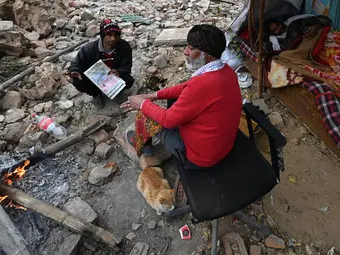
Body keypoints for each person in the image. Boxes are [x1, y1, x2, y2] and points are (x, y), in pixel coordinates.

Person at [121, 24, 242, 169]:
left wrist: (141, 104)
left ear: (206, 54)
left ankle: (142, 145)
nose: (185, 52)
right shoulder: (226, 71)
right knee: (172, 99)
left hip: (200, 157)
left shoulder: (201, 85)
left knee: (146, 114)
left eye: (191, 48)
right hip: (221, 147)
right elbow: (186, 87)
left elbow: (168, 120)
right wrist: (154, 95)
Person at [67, 19, 134, 108]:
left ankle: (117, 91)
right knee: (78, 82)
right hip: (95, 79)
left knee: (129, 80)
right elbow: (76, 64)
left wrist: (119, 71)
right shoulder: (89, 49)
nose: (113, 39)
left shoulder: (124, 46)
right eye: (109, 35)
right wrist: (75, 71)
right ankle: (96, 94)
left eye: (116, 35)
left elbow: (127, 65)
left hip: (114, 77)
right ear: (102, 35)